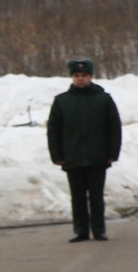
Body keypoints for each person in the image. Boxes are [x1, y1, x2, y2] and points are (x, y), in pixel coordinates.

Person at [45, 58, 121, 243]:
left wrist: (112, 154)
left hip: (97, 157)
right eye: (77, 76)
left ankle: (99, 230)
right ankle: (81, 231)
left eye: (84, 75)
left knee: (96, 197)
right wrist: (57, 155)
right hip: (72, 158)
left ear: (91, 76)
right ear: (72, 77)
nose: (80, 79)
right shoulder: (62, 101)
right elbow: (53, 130)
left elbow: (114, 128)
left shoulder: (103, 99)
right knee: (77, 198)